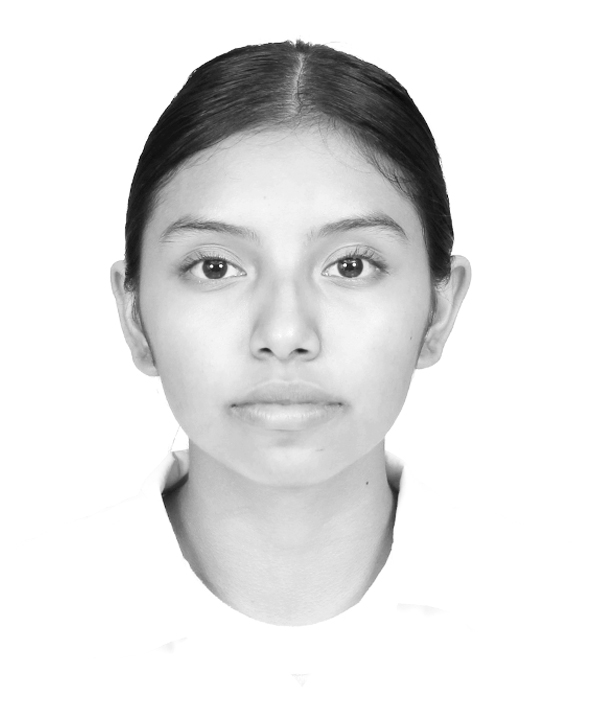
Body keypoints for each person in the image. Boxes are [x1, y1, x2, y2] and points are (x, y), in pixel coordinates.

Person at [13, 39, 498, 708]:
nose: (284, 333)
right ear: (135, 316)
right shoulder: (21, 629)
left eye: (351, 265)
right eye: (215, 267)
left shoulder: (557, 617)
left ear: (438, 310)